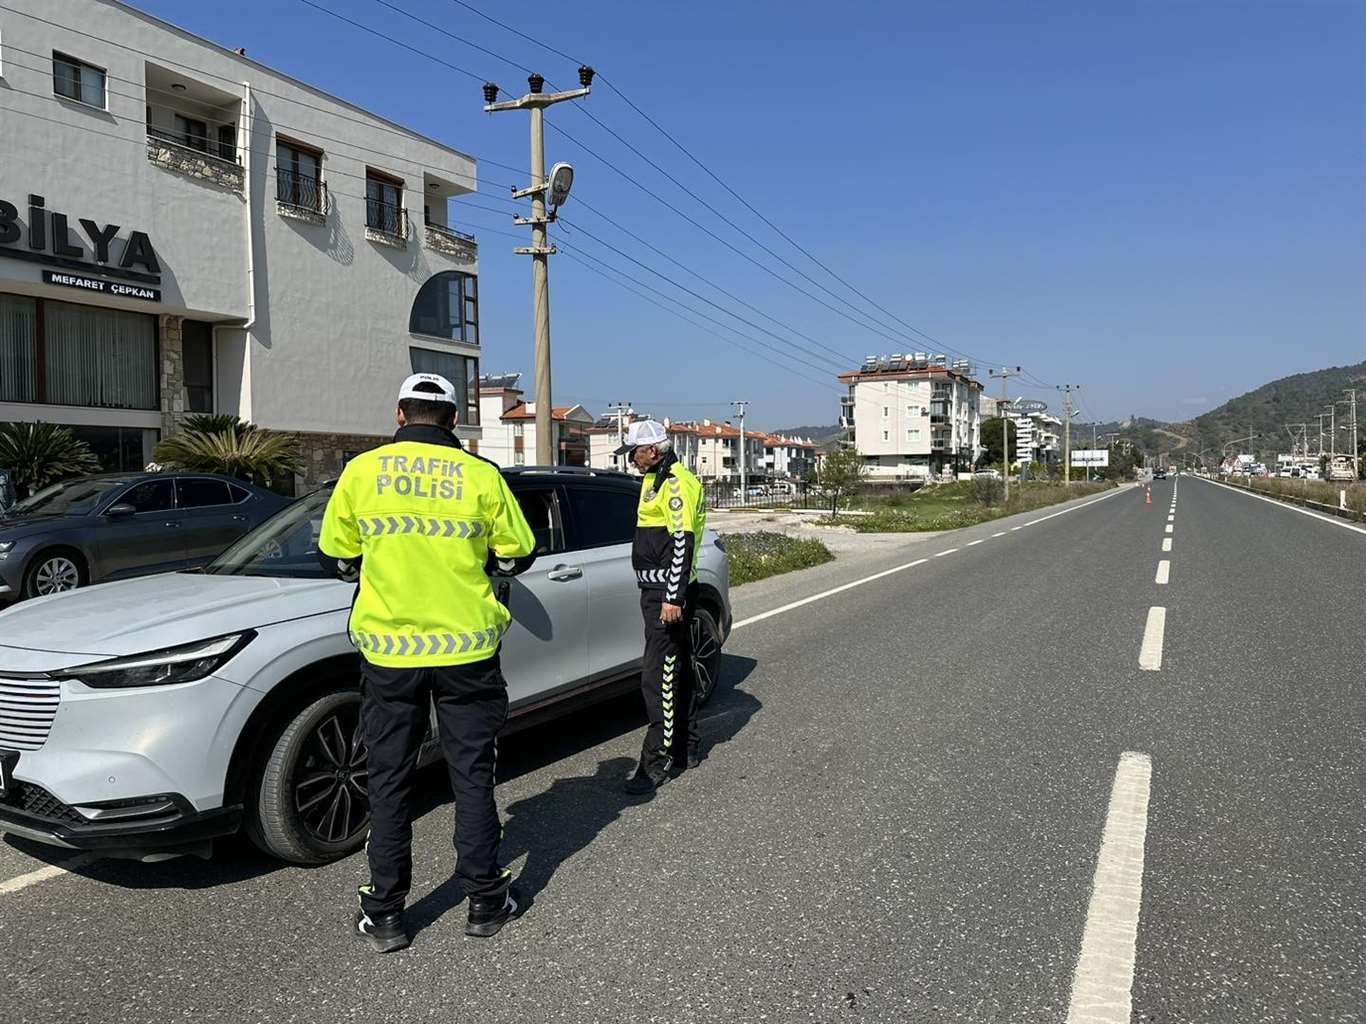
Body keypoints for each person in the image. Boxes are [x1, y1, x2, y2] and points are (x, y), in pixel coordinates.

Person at [318, 372, 536, 953]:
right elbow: (520, 553)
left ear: (399, 414)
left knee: (388, 777)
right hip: (468, 652)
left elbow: (335, 557)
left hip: (389, 655)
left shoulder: (362, 473)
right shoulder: (481, 475)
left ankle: (387, 912)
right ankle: (486, 902)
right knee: (473, 774)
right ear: (454, 418)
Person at [615, 420, 708, 796]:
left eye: (635, 453)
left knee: (657, 678)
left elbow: (682, 541)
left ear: (652, 451)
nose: (632, 461)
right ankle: (687, 746)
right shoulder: (654, 478)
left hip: (667, 595)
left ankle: (656, 760)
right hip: (657, 589)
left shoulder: (675, 482)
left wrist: (673, 596)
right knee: (677, 669)